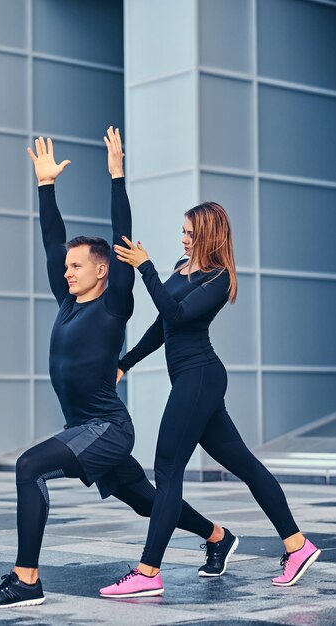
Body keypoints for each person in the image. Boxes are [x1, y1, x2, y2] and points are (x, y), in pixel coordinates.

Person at [0, 130, 236, 609]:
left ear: (102, 271)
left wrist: (117, 177)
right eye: (66, 267)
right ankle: (217, 535)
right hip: (86, 427)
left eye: (77, 266)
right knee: (143, 499)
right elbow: (52, 240)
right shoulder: (67, 300)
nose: (67, 272)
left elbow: (120, 236)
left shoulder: (116, 303)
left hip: (106, 427)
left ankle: (26, 579)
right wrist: (45, 187)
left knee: (29, 467)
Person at [100, 201, 321, 598]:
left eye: (189, 232)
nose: (182, 238)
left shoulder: (218, 278)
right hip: (191, 380)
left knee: (167, 468)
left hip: (199, 378)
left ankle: (149, 571)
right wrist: (125, 364)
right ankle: (296, 545)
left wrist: (145, 267)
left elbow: (179, 314)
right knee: (245, 465)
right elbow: (162, 324)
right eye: (182, 231)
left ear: (207, 234)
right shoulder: (182, 268)